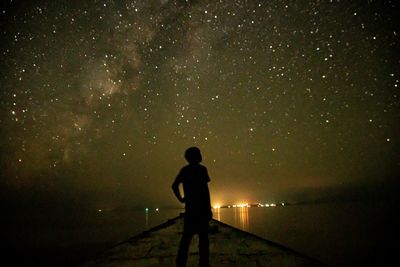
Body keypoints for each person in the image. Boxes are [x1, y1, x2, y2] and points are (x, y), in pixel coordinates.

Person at [172, 147, 212, 267]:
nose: (201, 155)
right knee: (203, 239)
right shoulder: (202, 169)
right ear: (195, 156)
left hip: (190, 209)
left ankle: (181, 263)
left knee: (186, 238)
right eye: (199, 153)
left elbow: (174, 186)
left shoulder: (184, 170)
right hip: (201, 210)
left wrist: (181, 199)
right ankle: (203, 263)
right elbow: (205, 191)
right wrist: (208, 209)